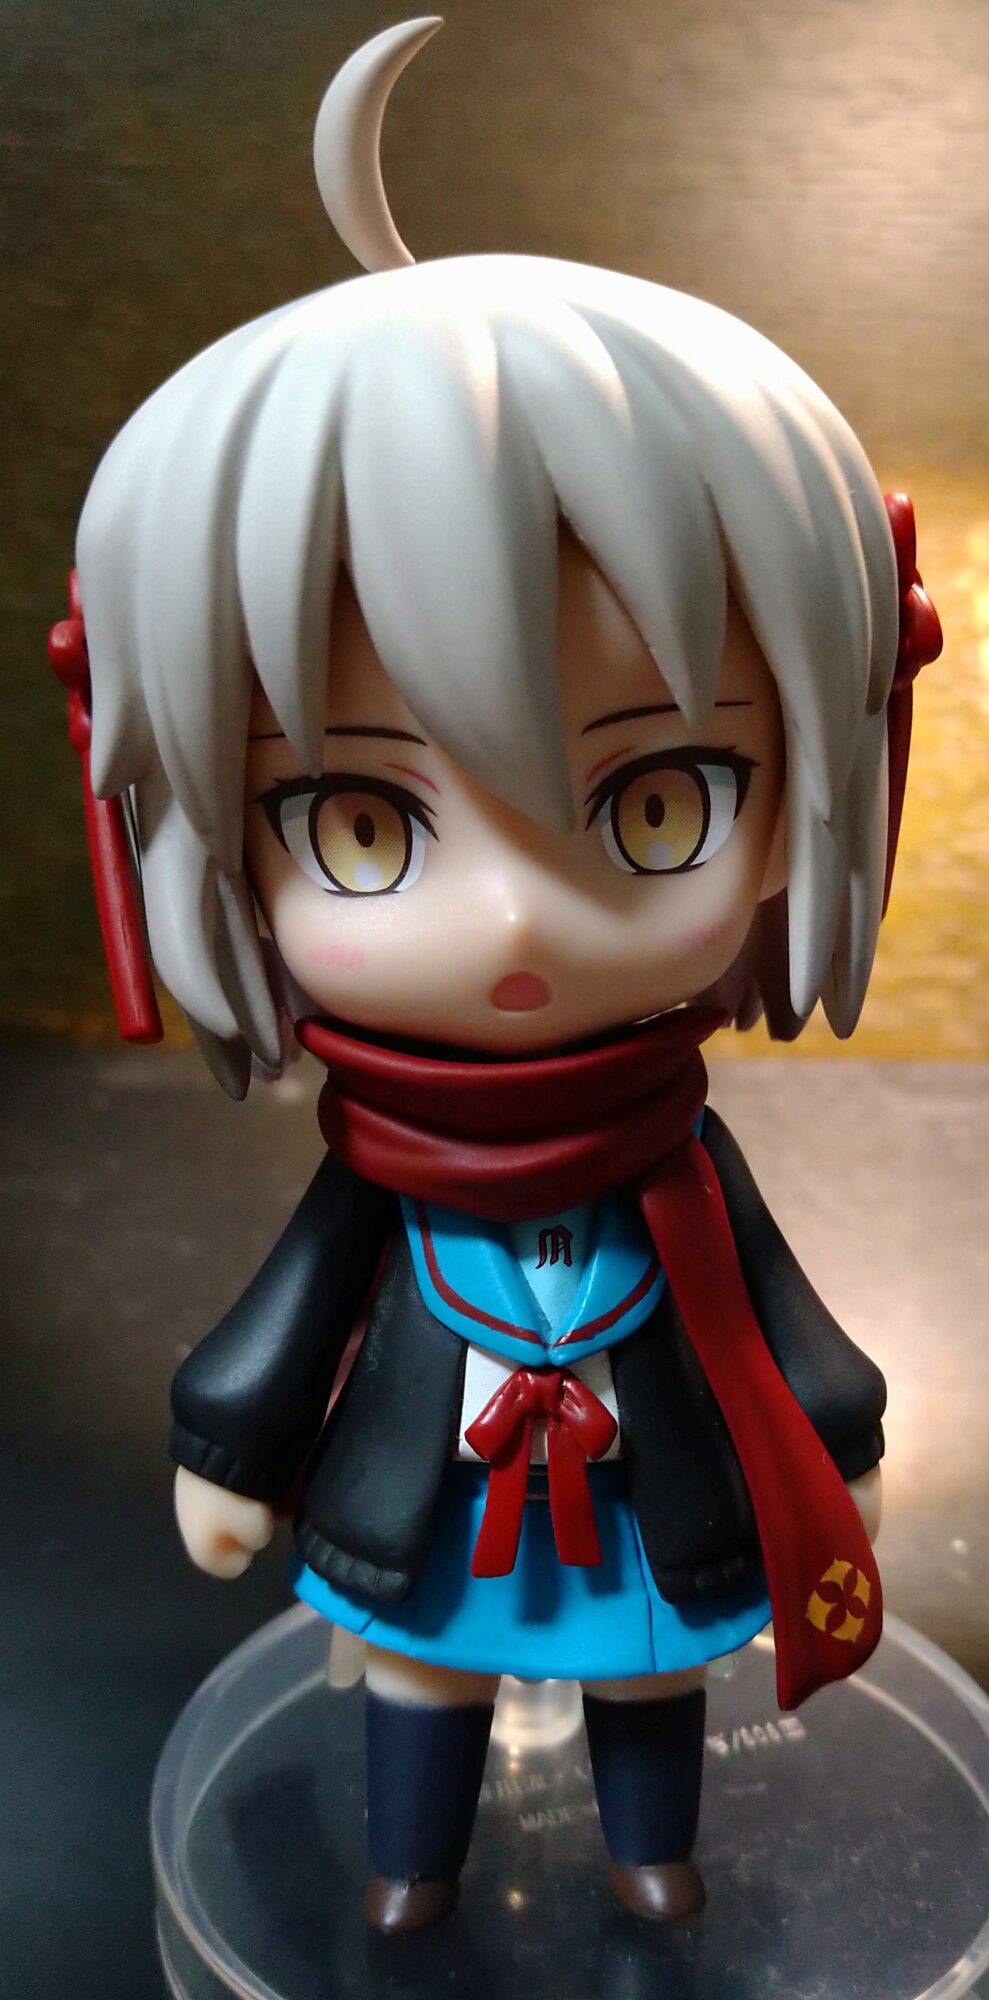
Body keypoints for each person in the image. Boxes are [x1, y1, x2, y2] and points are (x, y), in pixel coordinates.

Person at [71, 17, 914, 1935]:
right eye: (363, 824)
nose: (520, 923)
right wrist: (235, 1446)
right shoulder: (387, 1168)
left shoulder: (674, 1158)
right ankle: (408, 1865)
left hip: (644, 1503)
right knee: (421, 1684)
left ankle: (647, 1850)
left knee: (649, 1683)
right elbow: (302, 1296)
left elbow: (769, 1309)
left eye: (653, 805)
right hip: (431, 1504)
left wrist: (832, 1448)